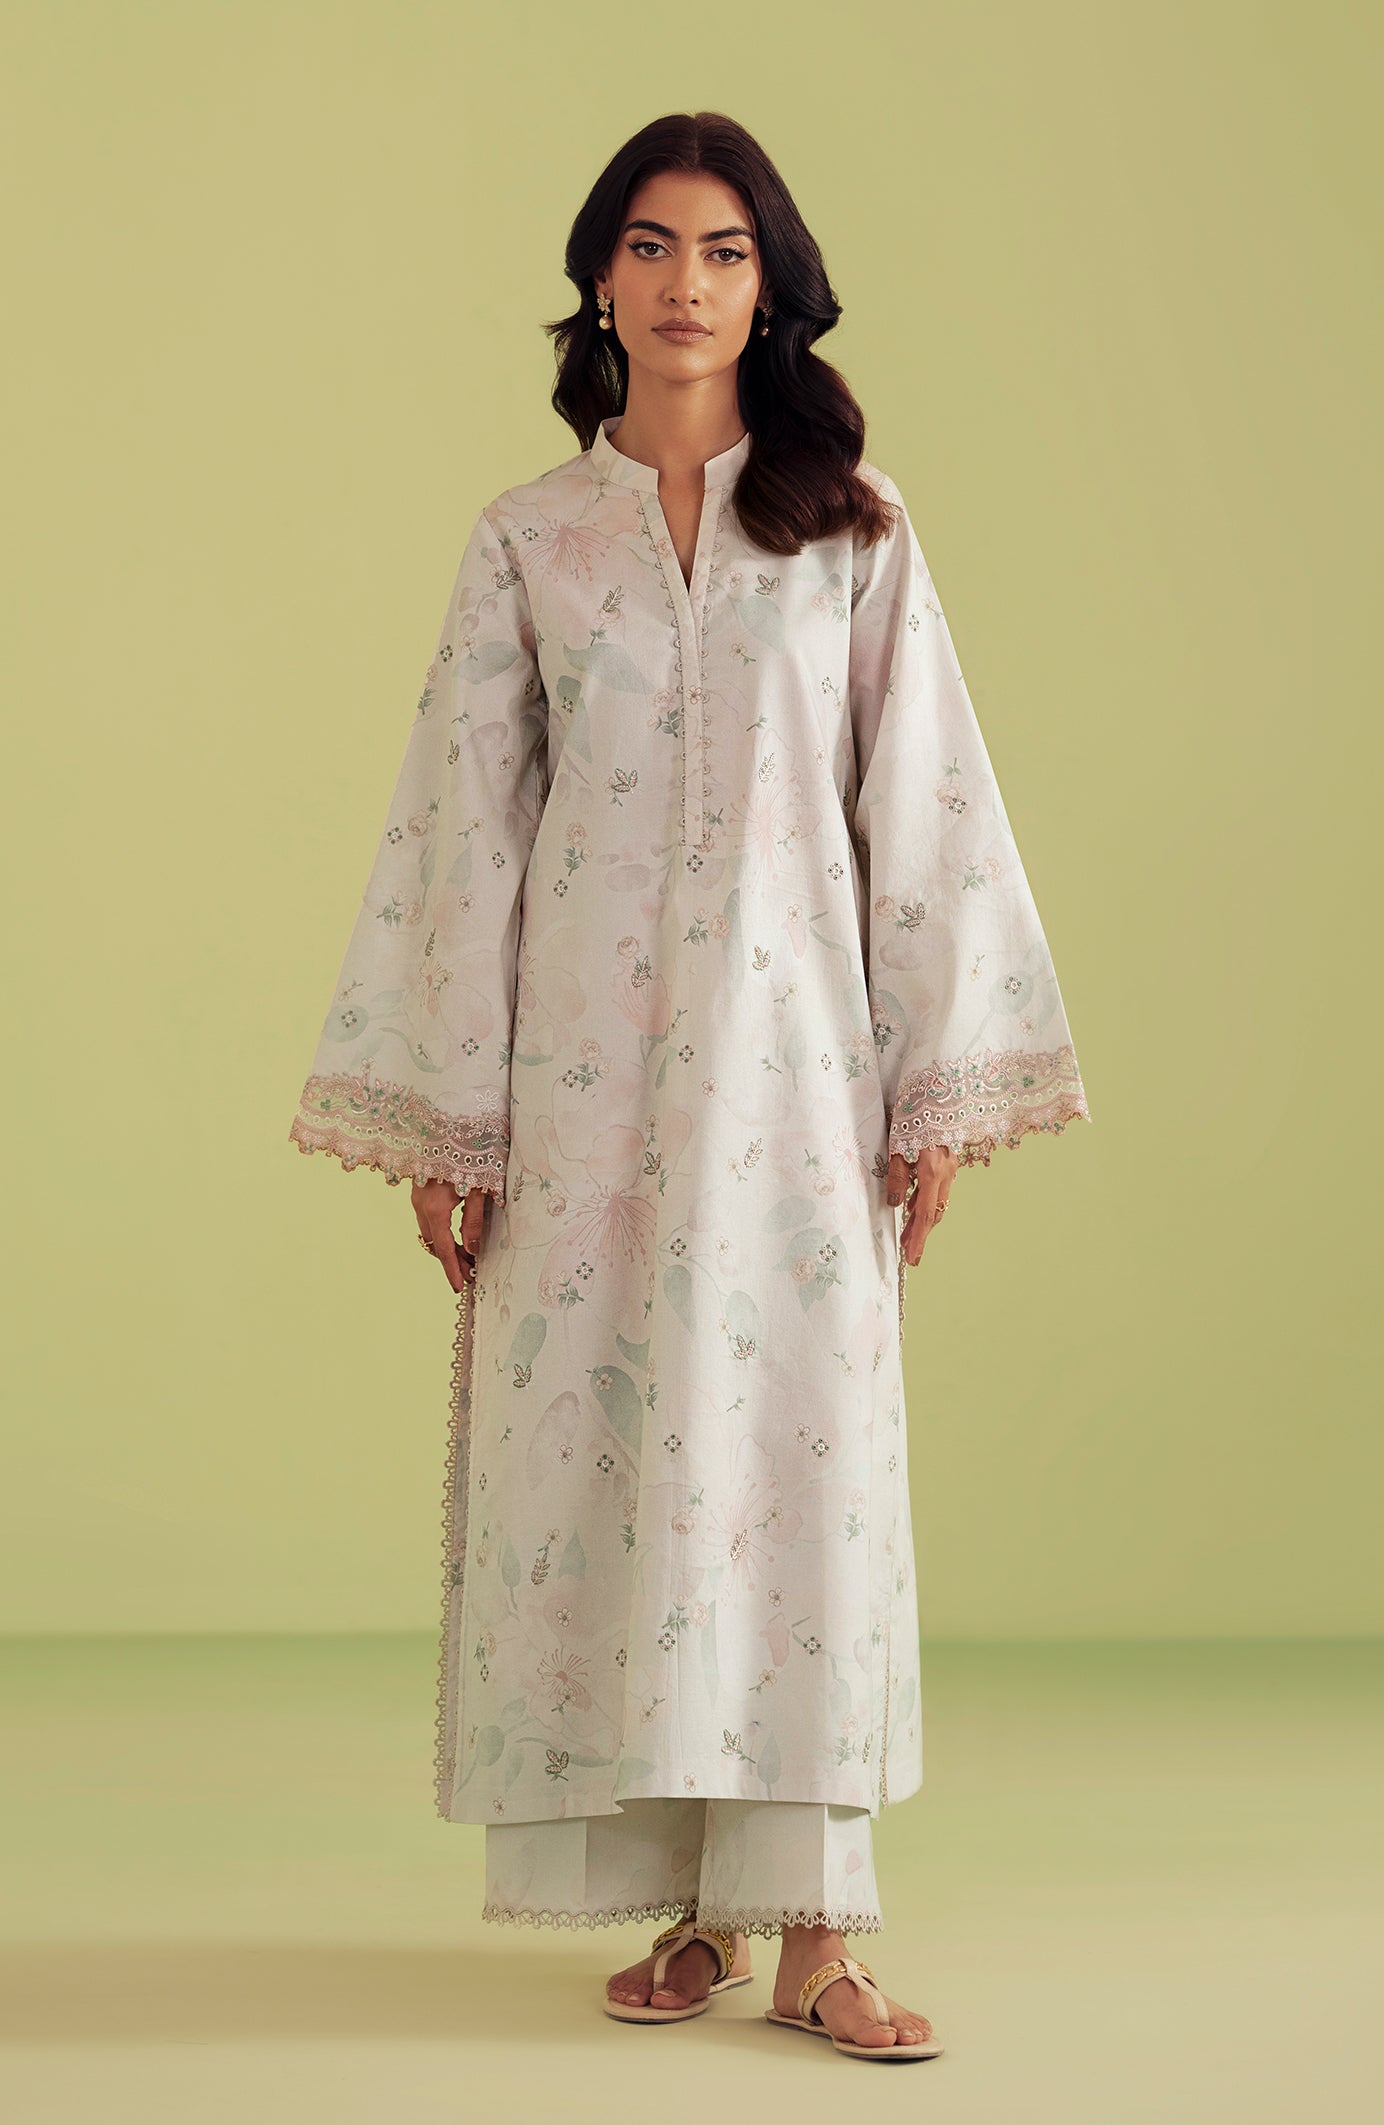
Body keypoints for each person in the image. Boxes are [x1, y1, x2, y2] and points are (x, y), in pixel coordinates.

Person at [288, 110, 1090, 2061]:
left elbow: (922, 802)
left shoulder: (849, 530)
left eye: (722, 250)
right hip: (581, 1101)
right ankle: (695, 1911)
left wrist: (934, 1086)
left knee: (797, 1470)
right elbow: (461, 832)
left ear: (768, 287)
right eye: (649, 245)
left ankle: (819, 1928)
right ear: (599, 278)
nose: (683, 283)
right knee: (620, 1468)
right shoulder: (530, 541)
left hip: (794, 1085)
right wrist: (449, 1114)